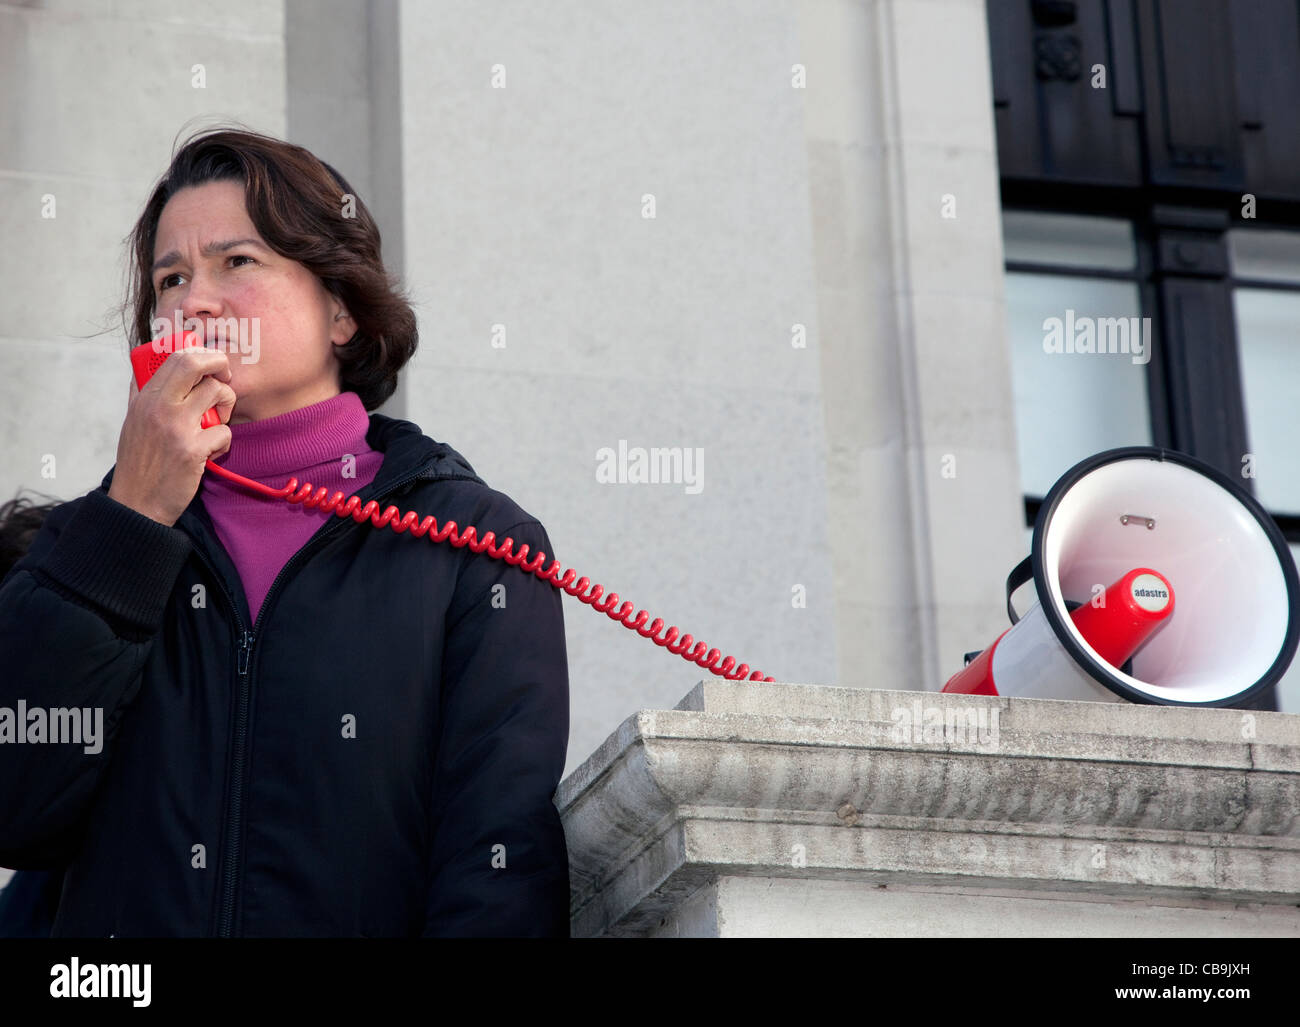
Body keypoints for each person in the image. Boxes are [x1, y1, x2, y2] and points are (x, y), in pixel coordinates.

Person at [0, 127, 572, 937]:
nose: (193, 302)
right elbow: (14, 807)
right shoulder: (84, 548)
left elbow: (497, 863)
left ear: (341, 308)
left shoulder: (473, 547)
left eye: (237, 262)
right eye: (170, 278)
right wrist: (129, 520)